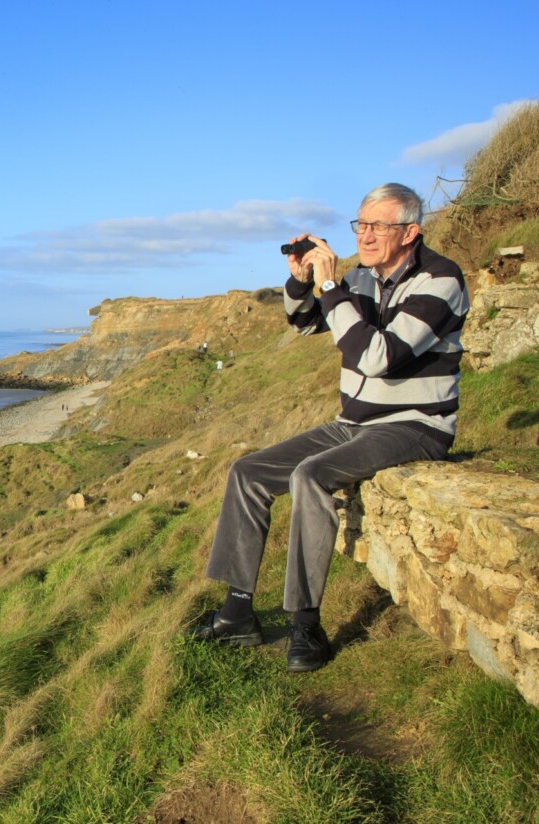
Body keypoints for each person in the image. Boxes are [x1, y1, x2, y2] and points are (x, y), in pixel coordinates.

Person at [190, 183, 469, 672]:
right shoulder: (360, 278)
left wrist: (332, 287)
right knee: (248, 471)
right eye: (360, 224)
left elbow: (376, 357)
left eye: (378, 226)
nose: (365, 234)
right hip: (353, 423)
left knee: (309, 476)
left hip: (414, 427)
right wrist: (301, 282)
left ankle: (306, 623)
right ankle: (237, 613)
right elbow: (304, 324)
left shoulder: (441, 279)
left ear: (410, 232)